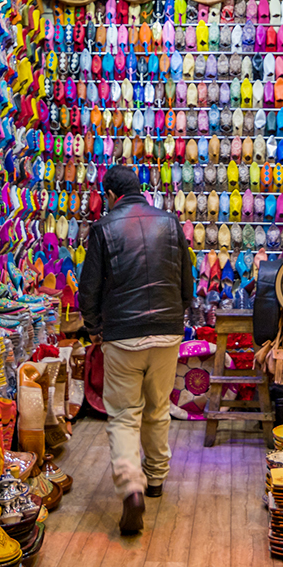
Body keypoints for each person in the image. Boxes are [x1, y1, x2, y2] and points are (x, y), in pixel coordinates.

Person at [78, 165, 193, 535]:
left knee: (125, 413)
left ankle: (131, 486)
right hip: (167, 332)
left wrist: (95, 328)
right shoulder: (171, 223)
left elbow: (89, 287)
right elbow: (186, 278)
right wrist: (180, 314)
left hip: (123, 335)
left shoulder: (104, 228)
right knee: (158, 408)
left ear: (110, 195)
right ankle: (157, 478)